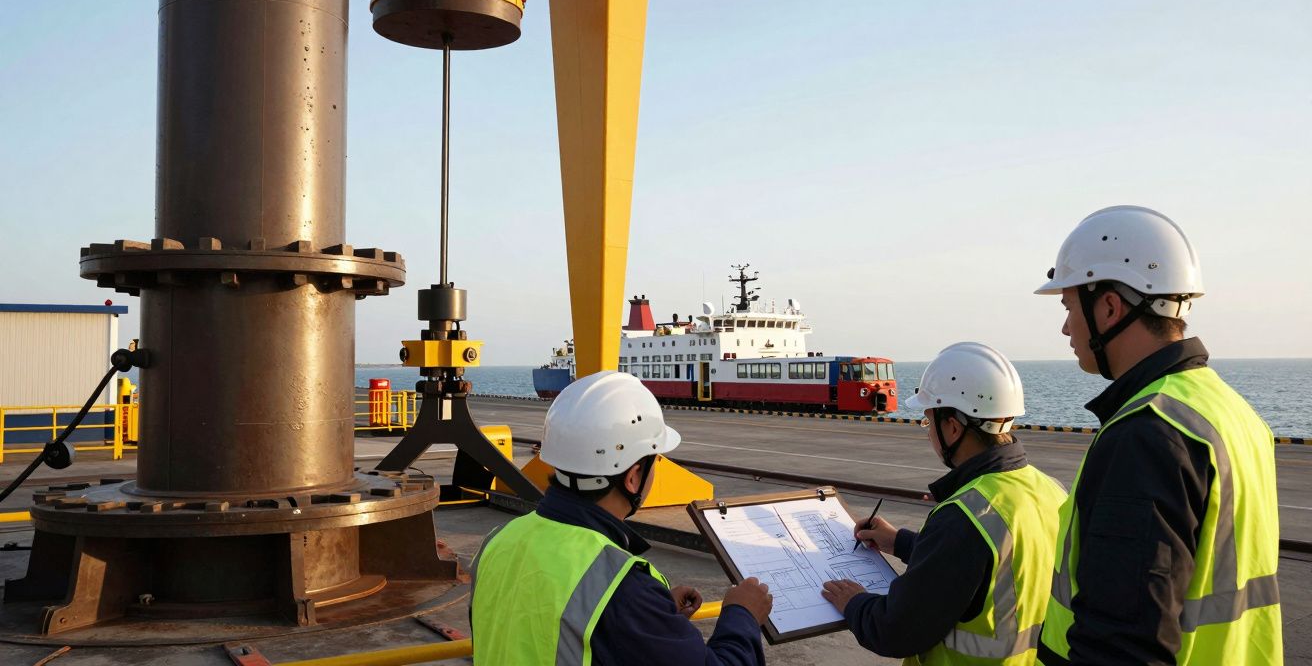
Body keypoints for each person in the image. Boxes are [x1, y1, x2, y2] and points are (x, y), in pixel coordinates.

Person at [1033, 205, 1281, 665]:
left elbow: (1122, 647)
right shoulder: (1233, 412)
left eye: (1069, 307)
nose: (1066, 327)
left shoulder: (1146, 434)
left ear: (1109, 307)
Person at [470, 370, 773, 665]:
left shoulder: (497, 542)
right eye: (656, 460)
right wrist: (742, 615)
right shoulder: (620, 586)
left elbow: (535, 630)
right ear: (633, 477)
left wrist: (654, 617)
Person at [822, 342, 1066, 665]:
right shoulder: (1053, 491)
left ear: (952, 427)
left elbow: (896, 629)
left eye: (928, 421)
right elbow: (987, 567)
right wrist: (900, 542)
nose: (928, 433)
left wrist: (855, 603)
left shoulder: (967, 516)